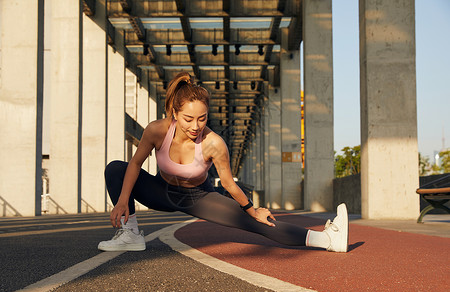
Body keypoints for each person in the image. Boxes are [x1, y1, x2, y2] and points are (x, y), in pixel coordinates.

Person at [98, 72, 349, 253]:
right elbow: (135, 164)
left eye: (202, 118)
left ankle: (327, 239)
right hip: (160, 192)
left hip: (198, 197)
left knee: (257, 223)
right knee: (116, 169)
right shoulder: (157, 130)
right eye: (188, 119)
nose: (195, 126)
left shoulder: (214, 143)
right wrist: (122, 202)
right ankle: (130, 235)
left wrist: (253, 210)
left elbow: (228, 184)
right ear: (175, 113)